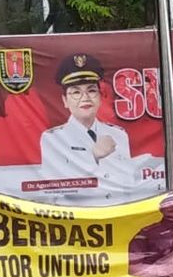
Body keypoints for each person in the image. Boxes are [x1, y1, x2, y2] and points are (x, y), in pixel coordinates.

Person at [39, 53, 134, 187]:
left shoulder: (119, 135)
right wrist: (93, 156)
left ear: (100, 97)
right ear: (65, 100)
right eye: (76, 92)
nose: (85, 98)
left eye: (91, 90)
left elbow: (128, 182)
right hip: (75, 207)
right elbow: (55, 185)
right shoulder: (52, 139)